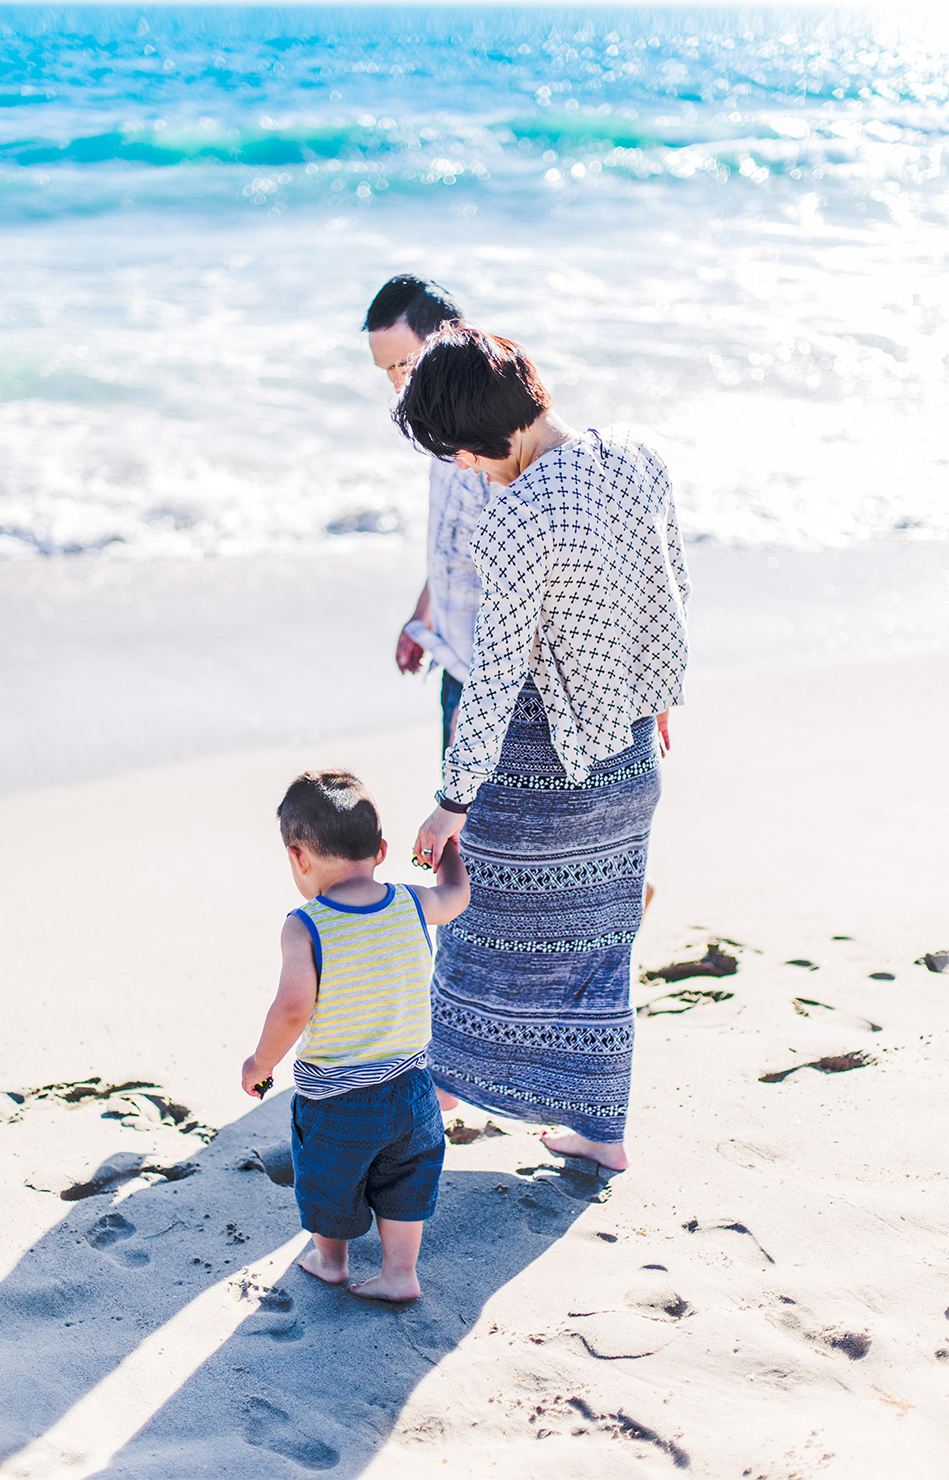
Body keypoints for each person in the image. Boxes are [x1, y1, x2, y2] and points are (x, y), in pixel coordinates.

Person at [398, 327, 688, 1174]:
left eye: (454, 448)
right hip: (632, 749)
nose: (459, 467)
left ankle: (443, 1088)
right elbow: (670, 580)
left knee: (478, 924)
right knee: (600, 945)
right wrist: (659, 695)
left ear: (484, 430)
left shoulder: (514, 519)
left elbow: (494, 680)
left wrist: (452, 801)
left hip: (543, 762)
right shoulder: (641, 455)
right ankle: (601, 1133)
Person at [240, 770, 470, 1303]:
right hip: (413, 1091)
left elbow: (294, 1007)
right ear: (382, 849)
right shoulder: (413, 902)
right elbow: (456, 895)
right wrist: (449, 846)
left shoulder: (306, 924)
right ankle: (399, 1273)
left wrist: (260, 1064)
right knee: (405, 1184)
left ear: (298, 857)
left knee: (329, 1184)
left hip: (337, 1101)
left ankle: (331, 1260)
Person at [362, 274, 492, 753]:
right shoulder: (437, 427)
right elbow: (456, 540)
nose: (397, 381)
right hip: (454, 653)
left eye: (404, 363)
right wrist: (424, 615)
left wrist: (482, 702)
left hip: (495, 683)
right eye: (386, 370)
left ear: (449, 337)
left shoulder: (490, 438)